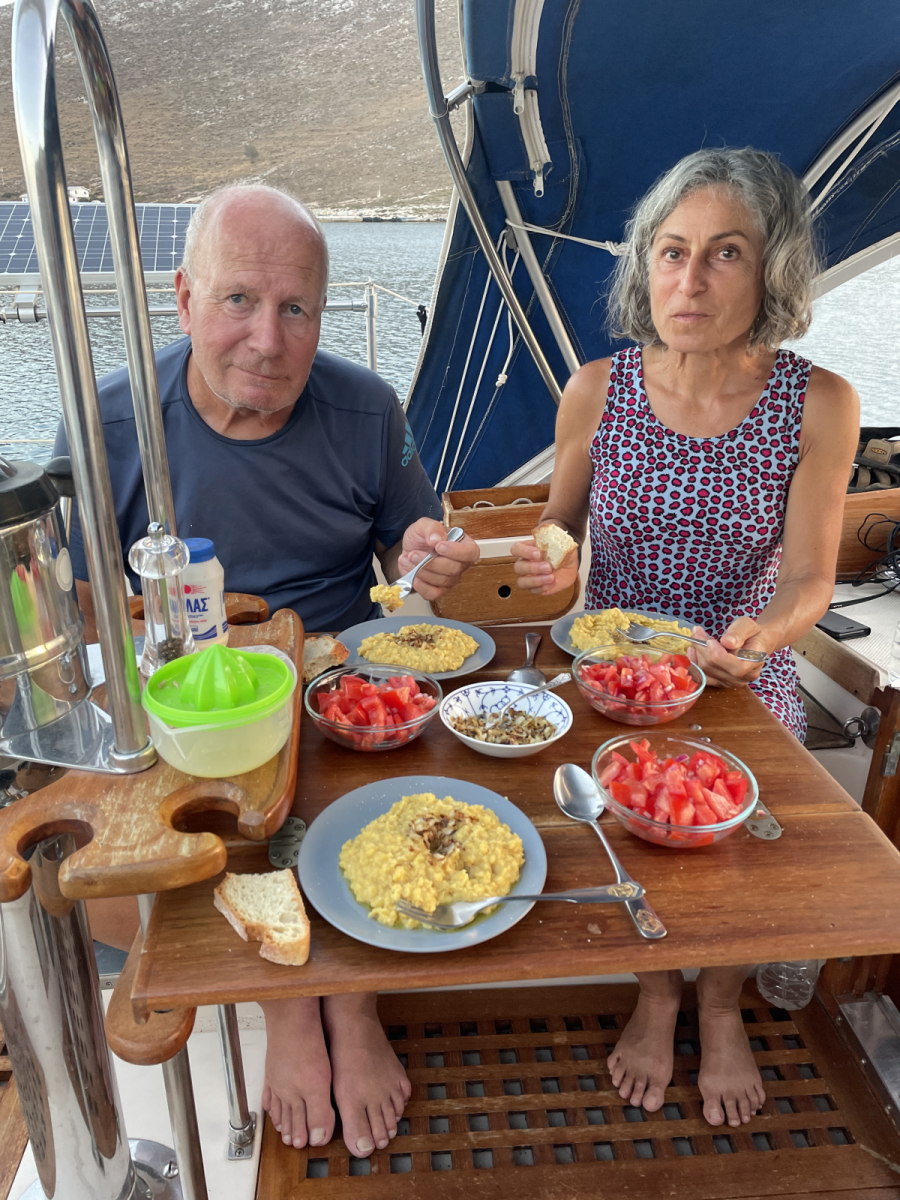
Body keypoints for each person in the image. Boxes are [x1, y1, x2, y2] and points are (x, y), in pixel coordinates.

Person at [56, 184, 479, 1159]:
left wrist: (424, 555)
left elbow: (410, 554)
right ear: (183, 298)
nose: (269, 340)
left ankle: (353, 1007)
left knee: (380, 793)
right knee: (208, 807)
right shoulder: (111, 424)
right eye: (239, 300)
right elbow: (78, 615)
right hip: (187, 695)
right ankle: (290, 1007)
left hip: (334, 687)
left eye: (297, 309)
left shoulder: (368, 410)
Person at [511, 148, 858, 1128]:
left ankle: (720, 1002)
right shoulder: (597, 389)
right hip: (610, 675)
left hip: (741, 673)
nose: (690, 280)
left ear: (773, 269)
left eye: (725, 253)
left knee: (739, 856)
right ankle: (659, 995)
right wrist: (549, 564)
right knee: (619, 831)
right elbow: (560, 525)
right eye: (672, 251)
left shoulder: (818, 404)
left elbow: (811, 577)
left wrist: (765, 634)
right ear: (645, 264)